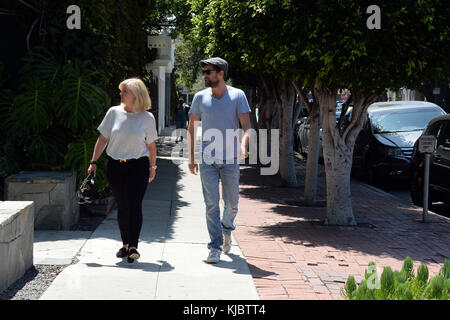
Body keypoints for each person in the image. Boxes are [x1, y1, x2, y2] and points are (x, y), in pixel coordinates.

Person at [187, 57, 251, 264]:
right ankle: (214, 246)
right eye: (204, 71)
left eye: (208, 71)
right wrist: (191, 157)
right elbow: (191, 128)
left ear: (220, 73)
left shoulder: (237, 96)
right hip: (207, 159)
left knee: (232, 204)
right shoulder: (199, 97)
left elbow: (247, 128)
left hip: (231, 158)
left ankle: (227, 230)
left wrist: (243, 145)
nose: (205, 75)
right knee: (211, 204)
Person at [88, 78, 158, 263]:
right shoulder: (113, 113)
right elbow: (103, 139)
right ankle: (125, 243)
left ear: (136, 94)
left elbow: (151, 146)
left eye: (125, 91)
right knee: (122, 205)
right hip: (115, 165)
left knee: (135, 204)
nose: (121, 94)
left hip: (138, 166)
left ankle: (134, 246)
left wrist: (153, 167)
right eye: (121, 91)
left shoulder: (147, 118)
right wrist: (93, 161)